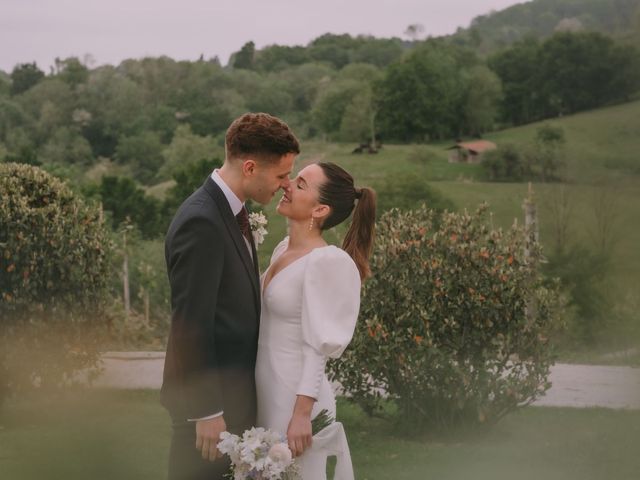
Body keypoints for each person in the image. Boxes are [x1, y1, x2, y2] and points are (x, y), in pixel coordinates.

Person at [161, 112, 300, 480]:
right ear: (251, 167)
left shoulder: (233, 213)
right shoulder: (202, 222)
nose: (287, 185)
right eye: (282, 175)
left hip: (232, 402)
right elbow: (191, 322)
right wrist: (206, 411)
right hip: (208, 411)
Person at [256, 162, 376, 480]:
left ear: (320, 209)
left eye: (301, 183)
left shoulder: (326, 262)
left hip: (295, 398)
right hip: (266, 390)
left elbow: (316, 345)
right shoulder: (282, 250)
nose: (288, 185)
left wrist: (302, 414)